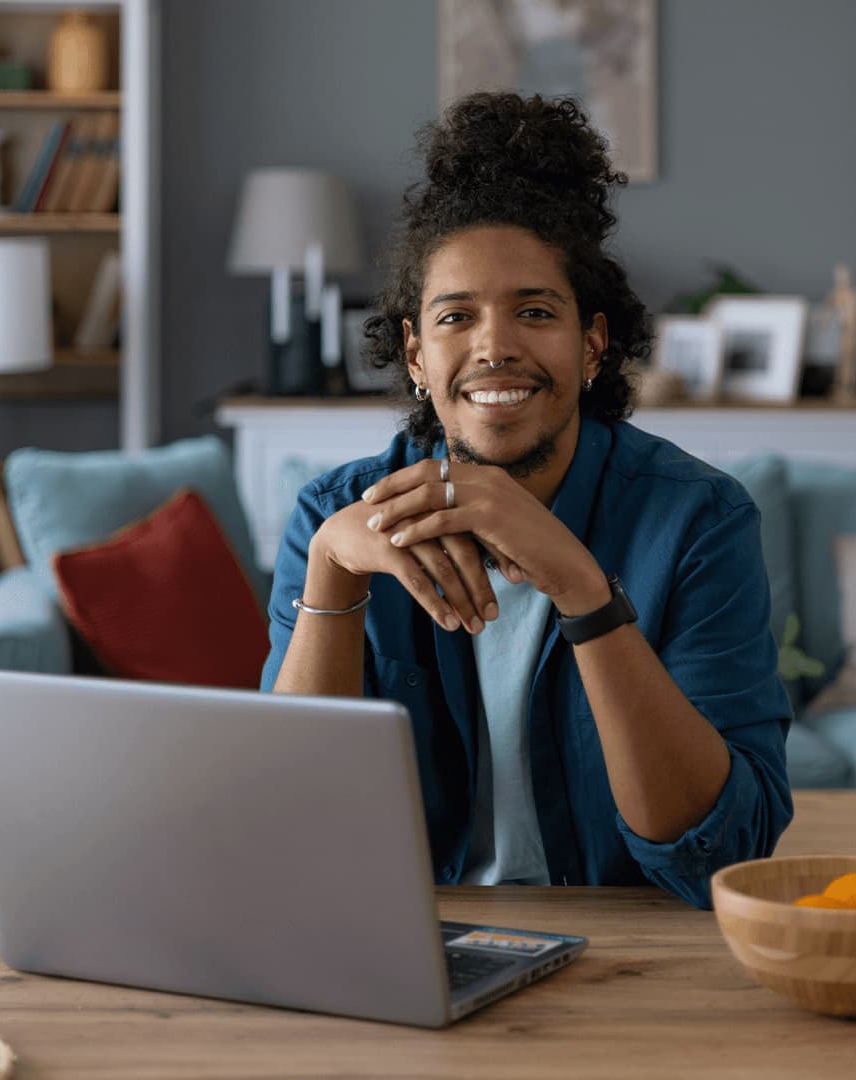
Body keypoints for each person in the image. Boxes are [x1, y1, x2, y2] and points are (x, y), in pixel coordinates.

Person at [261, 92, 791, 909]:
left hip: (632, 958)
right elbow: (289, 834)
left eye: (535, 313)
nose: (494, 347)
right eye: (455, 317)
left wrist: (583, 589)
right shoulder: (333, 519)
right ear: (414, 354)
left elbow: (717, 854)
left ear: (591, 346)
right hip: (410, 940)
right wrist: (333, 573)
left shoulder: (699, 522)